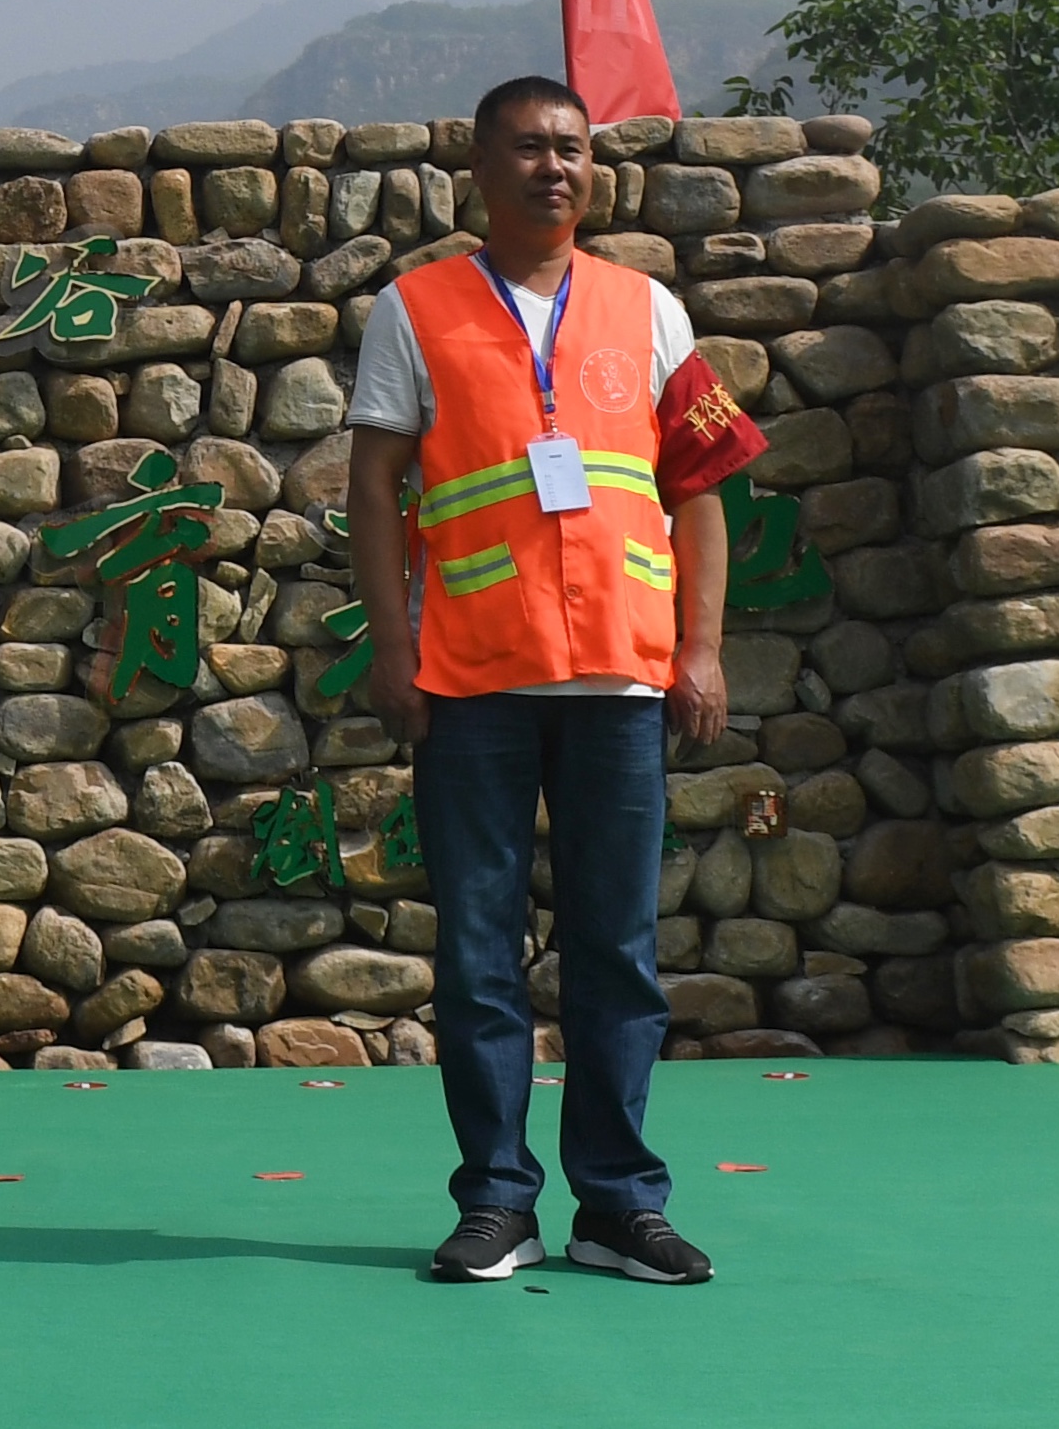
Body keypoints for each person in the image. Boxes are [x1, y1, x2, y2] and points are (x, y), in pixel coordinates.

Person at [345, 75, 762, 1289]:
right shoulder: (415, 308)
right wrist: (392, 649)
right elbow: (373, 486)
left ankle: (619, 1205)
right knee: (479, 952)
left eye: (572, 147)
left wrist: (700, 647)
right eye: (528, 147)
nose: (554, 167)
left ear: (596, 168)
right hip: (473, 677)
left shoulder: (648, 308)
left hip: (622, 681)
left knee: (616, 952)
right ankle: (496, 1202)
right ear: (479, 167)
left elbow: (700, 485)